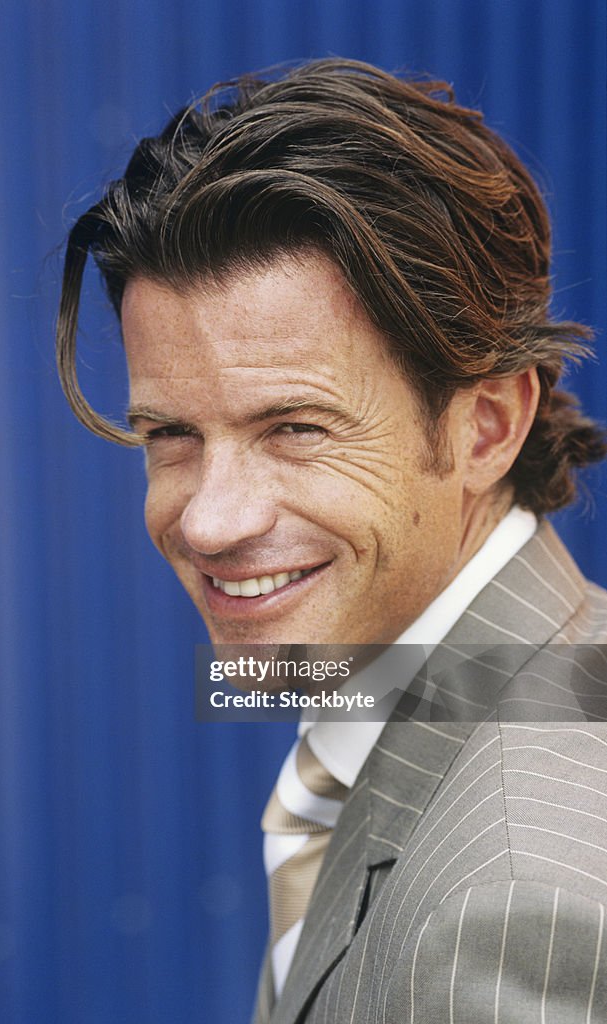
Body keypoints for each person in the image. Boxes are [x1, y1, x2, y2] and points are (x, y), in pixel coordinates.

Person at [55, 60, 607, 1023]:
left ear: (484, 427)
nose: (208, 521)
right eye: (169, 435)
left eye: (296, 428)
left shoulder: (513, 901)